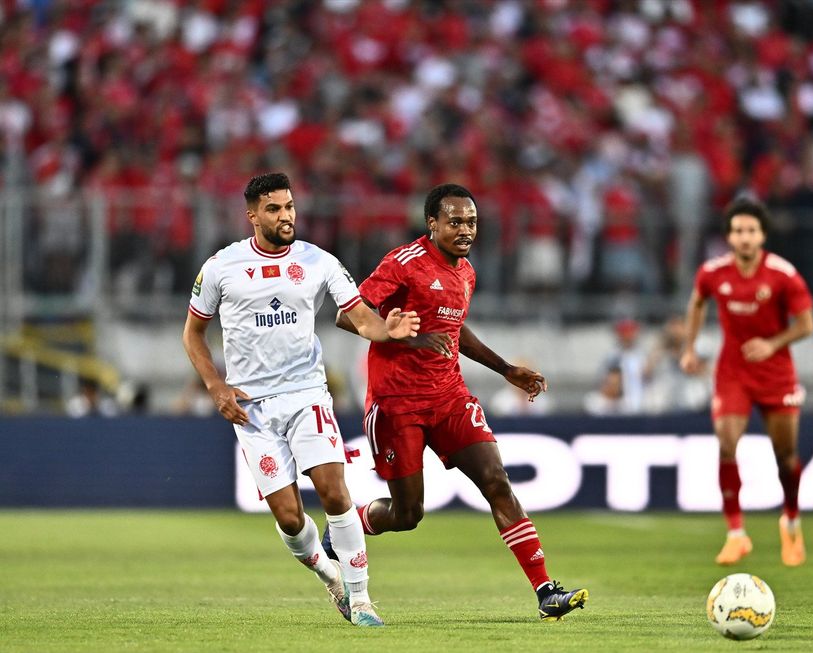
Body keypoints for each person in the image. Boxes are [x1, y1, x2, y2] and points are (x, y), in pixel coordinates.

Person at [329, 183, 588, 621]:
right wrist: (396, 332)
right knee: (409, 513)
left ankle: (545, 590)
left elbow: (455, 331)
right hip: (397, 404)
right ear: (432, 224)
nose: (465, 229)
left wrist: (506, 369)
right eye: (455, 222)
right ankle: (348, 526)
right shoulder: (403, 263)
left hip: (449, 398)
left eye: (471, 222)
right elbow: (346, 314)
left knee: (496, 480)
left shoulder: (466, 272)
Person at [182, 172, 422, 627]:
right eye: (273, 209)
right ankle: (330, 577)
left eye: (289, 206)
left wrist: (385, 330)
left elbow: (361, 317)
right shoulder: (221, 267)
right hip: (252, 408)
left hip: (307, 394)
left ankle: (362, 599)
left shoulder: (320, 262)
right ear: (252, 215)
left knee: (335, 492)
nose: (285, 216)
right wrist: (216, 386)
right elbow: (193, 334)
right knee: (291, 519)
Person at [679, 196, 813, 567]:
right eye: (738, 230)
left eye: (751, 231)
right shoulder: (712, 273)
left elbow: (807, 325)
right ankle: (736, 534)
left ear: (762, 236)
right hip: (733, 372)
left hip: (776, 373)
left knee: (786, 456)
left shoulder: (783, 275)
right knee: (726, 443)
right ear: (729, 236)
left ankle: (791, 521)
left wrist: (772, 343)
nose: (744, 237)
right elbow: (696, 303)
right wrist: (689, 349)